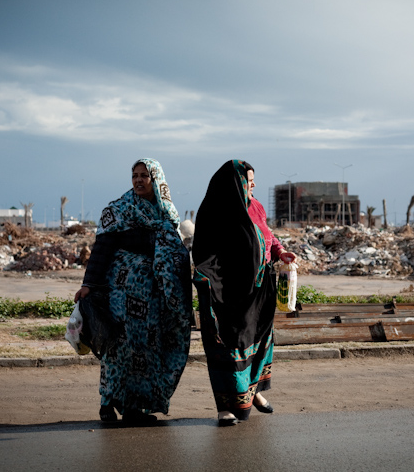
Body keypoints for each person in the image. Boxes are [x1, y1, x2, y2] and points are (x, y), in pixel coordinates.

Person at [73, 158, 192, 425]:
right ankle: (107, 403)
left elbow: (175, 251)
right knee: (118, 348)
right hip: (122, 296)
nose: (138, 180)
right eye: (134, 175)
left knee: (146, 351)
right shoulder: (120, 209)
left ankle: (135, 408)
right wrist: (88, 285)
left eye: (144, 176)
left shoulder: (167, 212)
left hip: (153, 300)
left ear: (156, 179)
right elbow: (101, 250)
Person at [192, 160, 296, 426]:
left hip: (258, 292)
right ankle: (225, 407)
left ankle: (255, 392)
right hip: (228, 295)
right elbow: (205, 252)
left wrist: (280, 252)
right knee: (229, 349)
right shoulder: (215, 212)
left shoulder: (257, 206)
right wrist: (206, 278)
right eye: (249, 181)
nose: (254, 186)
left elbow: (268, 236)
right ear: (234, 183)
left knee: (260, 342)